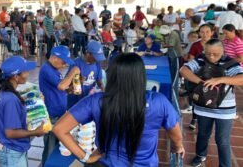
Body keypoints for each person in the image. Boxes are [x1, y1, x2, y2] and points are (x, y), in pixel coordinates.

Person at [53, 53, 184, 166]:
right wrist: (177, 147)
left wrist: (86, 157)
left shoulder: (96, 101)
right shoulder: (158, 102)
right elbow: (176, 135)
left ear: (111, 76)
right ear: (141, 76)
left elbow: (59, 129)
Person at [180, 39, 243, 167]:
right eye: (208, 53)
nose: (211, 57)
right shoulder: (201, 59)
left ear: (223, 51)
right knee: (203, 133)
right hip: (203, 106)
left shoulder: (230, 62)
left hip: (225, 109)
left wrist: (220, 79)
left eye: (215, 54)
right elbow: (183, 70)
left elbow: (241, 79)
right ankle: (200, 155)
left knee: (222, 140)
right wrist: (200, 82)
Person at [0, 56, 47, 167]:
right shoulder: (11, 99)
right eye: (25, 71)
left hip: (5, 146)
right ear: (16, 77)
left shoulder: (4, 92)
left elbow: (15, 112)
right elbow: (11, 133)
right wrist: (35, 132)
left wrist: (36, 102)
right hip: (13, 151)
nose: (28, 73)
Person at [39, 46, 80, 165]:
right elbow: (61, 86)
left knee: (58, 146)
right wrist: (72, 72)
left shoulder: (55, 70)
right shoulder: (46, 69)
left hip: (59, 112)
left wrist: (70, 89)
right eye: (63, 62)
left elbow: (61, 88)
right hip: (51, 115)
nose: (64, 65)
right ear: (54, 58)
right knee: (50, 147)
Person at [67, 40, 105, 109]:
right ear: (88, 54)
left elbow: (99, 82)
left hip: (87, 102)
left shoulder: (97, 64)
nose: (97, 60)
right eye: (95, 57)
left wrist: (104, 91)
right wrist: (78, 81)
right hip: (75, 103)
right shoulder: (76, 64)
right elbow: (69, 87)